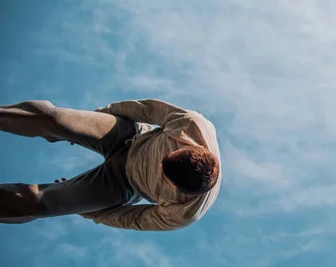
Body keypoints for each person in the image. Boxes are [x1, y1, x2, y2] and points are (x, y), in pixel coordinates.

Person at [0, 99, 221, 231]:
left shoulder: (185, 213)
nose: (159, 167)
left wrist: (88, 211)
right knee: (53, 119)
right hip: (128, 136)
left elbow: (134, 219)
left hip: (122, 184)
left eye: (163, 175)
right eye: (166, 160)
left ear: (177, 189)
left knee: (40, 204)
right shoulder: (192, 124)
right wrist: (97, 116)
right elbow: (146, 109)